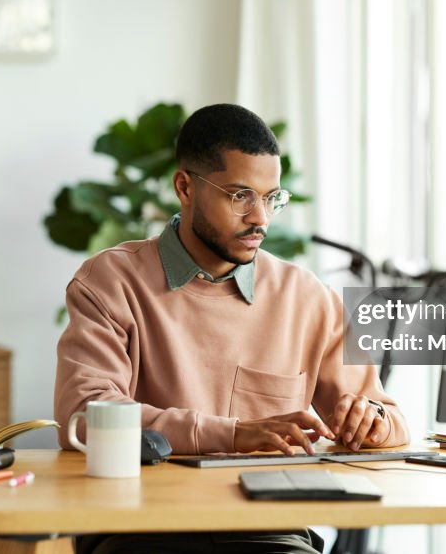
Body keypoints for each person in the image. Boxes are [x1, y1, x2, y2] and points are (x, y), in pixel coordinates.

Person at [55, 103, 409, 554]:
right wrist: (234, 434)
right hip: (140, 531)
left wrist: (371, 424)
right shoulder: (111, 281)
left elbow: (392, 419)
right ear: (185, 187)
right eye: (239, 195)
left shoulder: (305, 297)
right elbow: (85, 417)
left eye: (271, 198)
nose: (260, 217)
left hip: (271, 536)